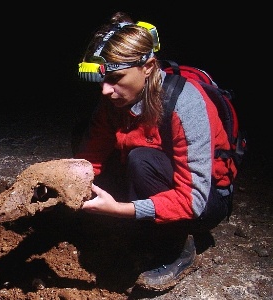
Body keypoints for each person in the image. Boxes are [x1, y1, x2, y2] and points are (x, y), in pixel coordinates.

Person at [73, 12, 237, 291]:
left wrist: (120, 210)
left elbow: (193, 200)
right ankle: (140, 228)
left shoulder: (185, 104)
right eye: (102, 80)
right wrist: (67, 184)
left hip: (204, 200)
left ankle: (176, 247)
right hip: (159, 177)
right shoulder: (114, 103)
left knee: (141, 159)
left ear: (147, 66)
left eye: (115, 78)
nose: (105, 90)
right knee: (82, 136)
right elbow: (93, 157)